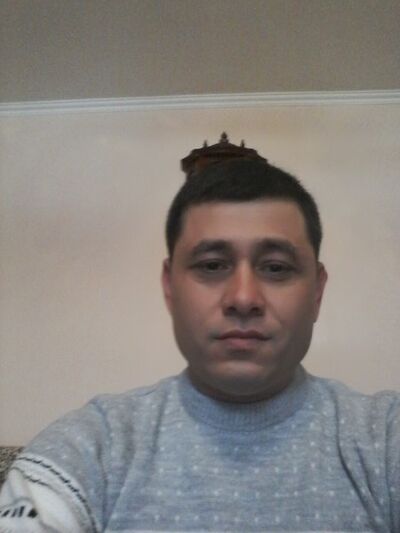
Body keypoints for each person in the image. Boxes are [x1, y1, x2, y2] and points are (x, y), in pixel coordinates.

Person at [0, 149, 399, 533]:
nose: (244, 298)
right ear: (169, 287)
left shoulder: (383, 441)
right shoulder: (91, 446)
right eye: (212, 265)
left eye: (276, 267)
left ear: (317, 292)